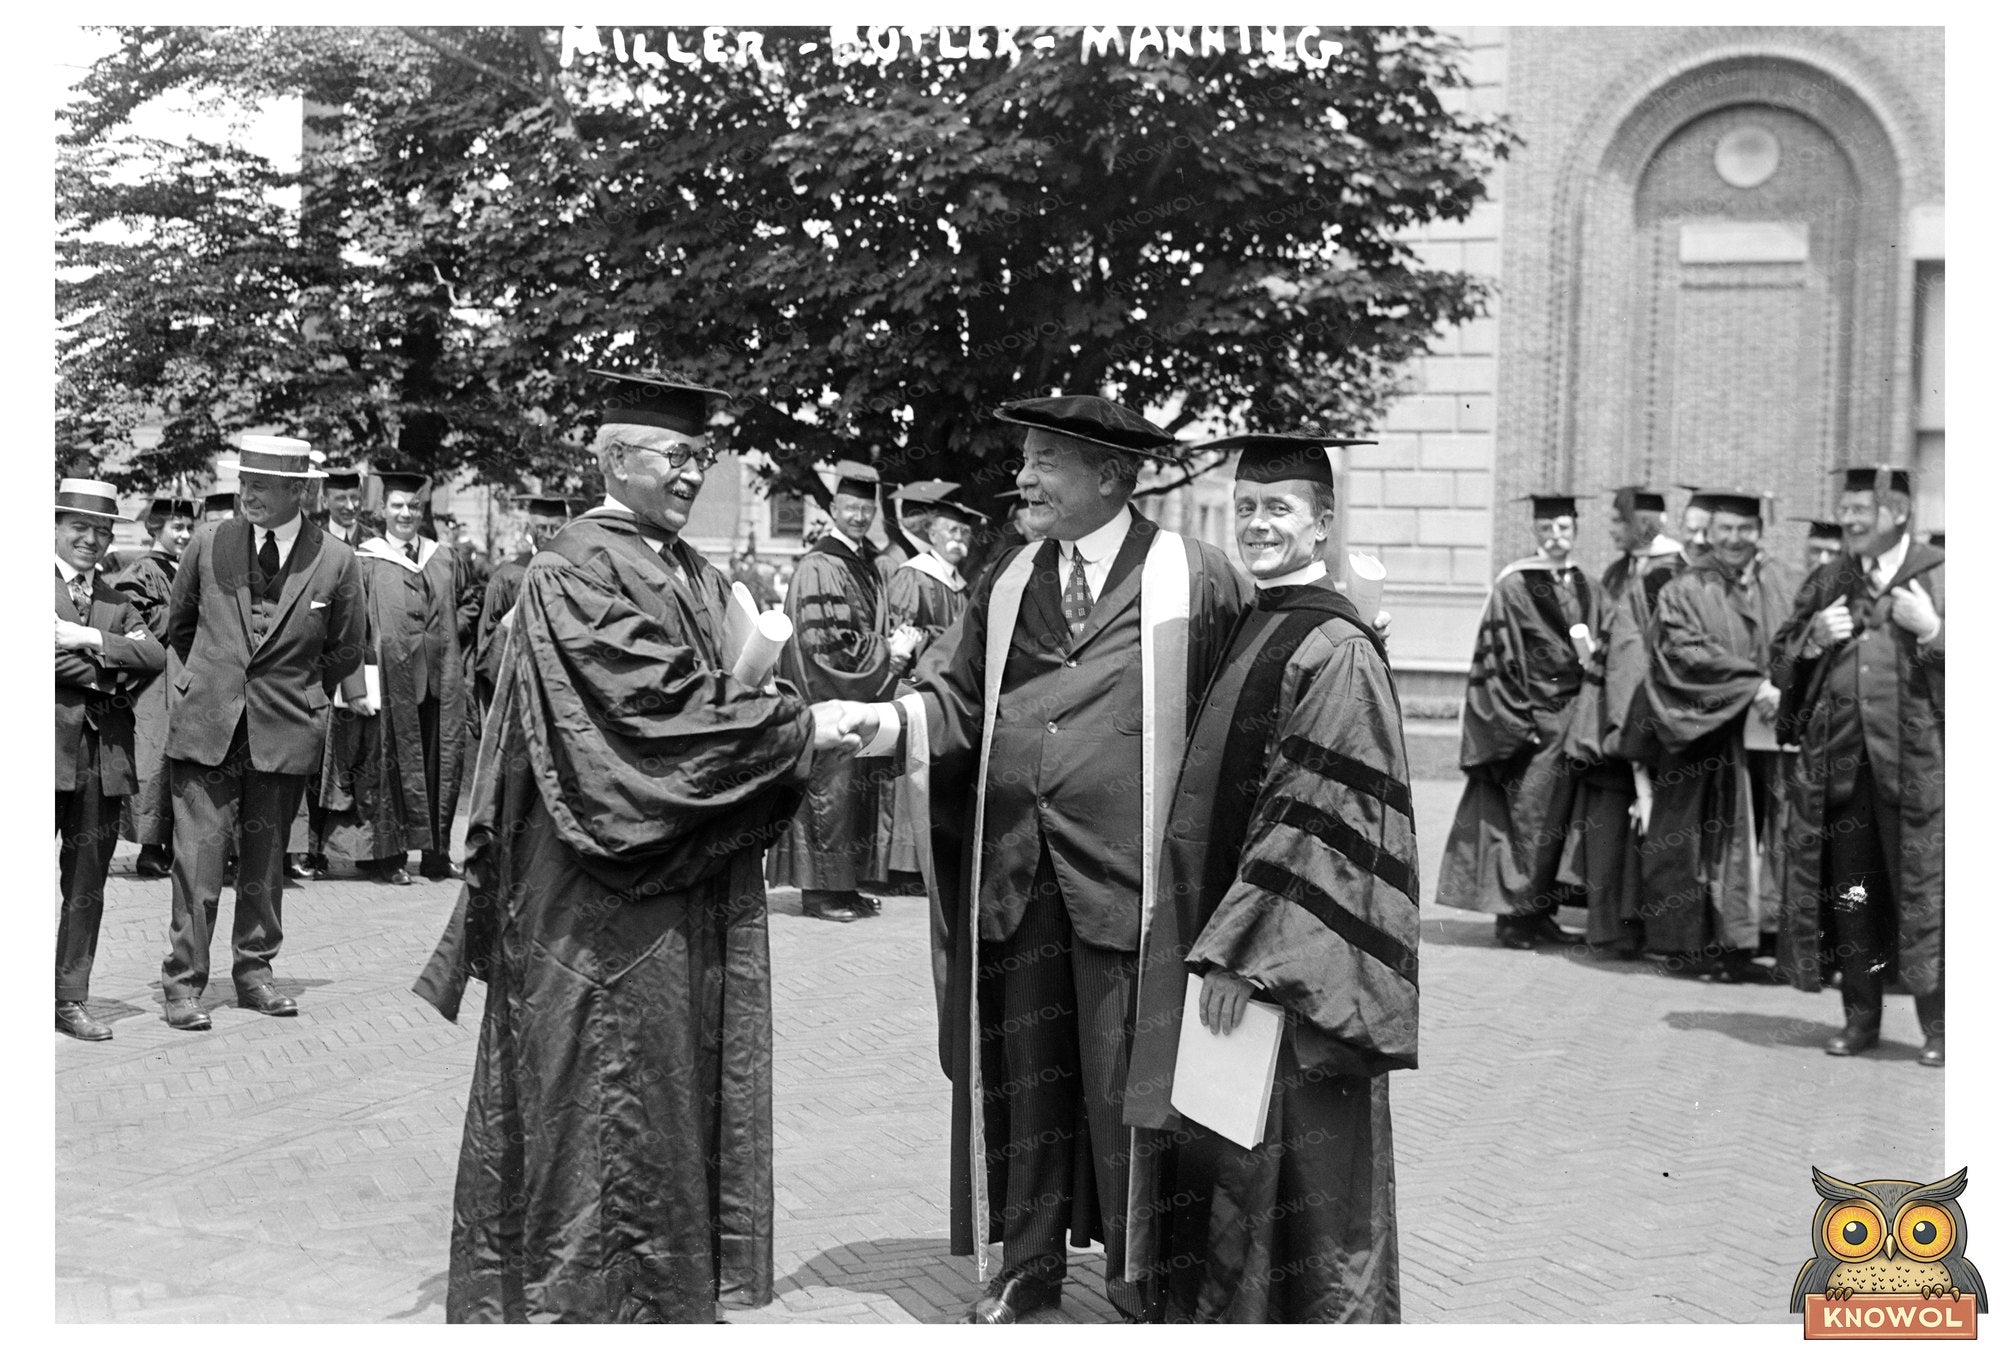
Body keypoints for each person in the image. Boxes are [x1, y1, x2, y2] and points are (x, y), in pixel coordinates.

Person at [413, 370, 854, 1322]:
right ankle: (584, 1295)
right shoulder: (577, 563)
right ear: (615, 457)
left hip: (671, 859)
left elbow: (694, 705)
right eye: (676, 455)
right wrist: (793, 730)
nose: (694, 472)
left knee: (663, 1074)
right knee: (604, 1078)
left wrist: (765, 706)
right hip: (595, 876)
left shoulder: (690, 566)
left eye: (702, 457)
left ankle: (656, 1287)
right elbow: (643, 711)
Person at [828, 395, 1250, 1323]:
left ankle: (1145, 1273)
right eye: (1024, 458)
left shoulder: (1197, 577)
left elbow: (1245, 719)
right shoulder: (1011, 577)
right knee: (1027, 1079)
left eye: (1046, 461)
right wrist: (886, 720)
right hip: (1018, 871)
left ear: (1111, 476)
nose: (1024, 477)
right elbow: (957, 696)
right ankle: (1026, 1264)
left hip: (1131, 884)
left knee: (1125, 1082)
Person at [1121, 434, 1415, 1322]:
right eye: (1246, 507)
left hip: (1282, 968)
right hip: (1227, 946)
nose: (1256, 524)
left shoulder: (1336, 649)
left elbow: (1330, 826)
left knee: (1292, 1164)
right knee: (1232, 1155)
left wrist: (1243, 957)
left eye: (1278, 508)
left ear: (1323, 522)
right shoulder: (1261, 622)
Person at [158, 437, 369, 1030]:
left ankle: (254, 974)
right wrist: (209, 681)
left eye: (263, 485)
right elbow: (180, 626)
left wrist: (299, 696)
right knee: (196, 861)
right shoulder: (208, 544)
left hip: (284, 731)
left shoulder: (335, 559)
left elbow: (346, 646)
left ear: (299, 491)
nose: (247, 493)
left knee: (266, 861)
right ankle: (183, 984)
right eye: (244, 480)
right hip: (208, 728)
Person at [1772, 466, 1944, 1065]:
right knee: (1854, 899)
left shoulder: (1940, 575)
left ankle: (1941, 1028)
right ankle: (1861, 1018)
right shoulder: (1830, 579)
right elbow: (1781, 658)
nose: (1846, 520)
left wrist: (1935, 631)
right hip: (1841, 774)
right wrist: (1813, 639)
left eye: (1859, 510)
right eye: (1843, 510)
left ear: (1896, 512)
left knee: (1927, 898)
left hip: (1919, 776)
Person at [1623, 490, 1797, 982]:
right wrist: (1752, 685)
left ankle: (1749, 942)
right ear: (1709, 532)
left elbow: (1801, 645)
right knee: (1699, 848)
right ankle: (1698, 949)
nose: (1735, 539)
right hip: (1706, 740)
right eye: (1725, 529)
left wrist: (1783, 690)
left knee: (1766, 840)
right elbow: (1681, 652)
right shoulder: (1685, 588)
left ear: (1760, 531)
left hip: (1768, 741)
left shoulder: (1783, 582)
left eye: (1745, 530)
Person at [1436, 493, 1598, 948]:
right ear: (1535, 532)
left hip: (1571, 723)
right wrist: (1515, 721)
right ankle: (1512, 920)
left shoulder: (1586, 582)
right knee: (1525, 823)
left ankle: (1540, 913)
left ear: (1577, 529)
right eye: (1547, 529)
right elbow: (1497, 657)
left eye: (1564, 528)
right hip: (1530, 725)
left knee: (1556, 824)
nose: (1555, 537)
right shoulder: (1514, 585)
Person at [766, 459, 922, 922]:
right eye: (850, 506)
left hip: (861, 697)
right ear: (834, 507)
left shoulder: (866, 563)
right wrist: (886, 652)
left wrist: (901, 641)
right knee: (829, 797)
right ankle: (820, 894)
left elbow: (869, 627)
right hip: (827, 699)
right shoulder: (820, 565)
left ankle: (846, 887)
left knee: (855, 800)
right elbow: (823, 644)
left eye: (865, 508)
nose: (858, 515)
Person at [318, 469, 476, 884]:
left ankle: (437, 856)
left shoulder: (443, 557)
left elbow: (471, 604)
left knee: (440, 764)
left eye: (414, 507)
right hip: (387, 682)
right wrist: (353, 684)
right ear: (383, 509)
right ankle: (387, 858)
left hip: (439, 680)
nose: (407, 513)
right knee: (385, 767)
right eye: (398, 506)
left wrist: (443, 635)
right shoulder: (365, 559)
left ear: (423, 511)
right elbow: (349, 625)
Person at [56, 479, 168, 1040]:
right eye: (79, 527)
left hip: (102, 758)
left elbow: (154, 655)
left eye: (101, 530)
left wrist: (85, 638)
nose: (91, 539)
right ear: (54, 528)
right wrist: (110, 674)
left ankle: (69, 995)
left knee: (87, 884)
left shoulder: (118, 599)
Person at [1556, 486, 1684, 955]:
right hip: (1608, 716)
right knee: (1608, 826)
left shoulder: (1673, 572)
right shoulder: (1617, 571)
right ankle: (1612, 928)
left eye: (1618, 521)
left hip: (1646, 718)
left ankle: (1647, 930)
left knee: (1651, 823)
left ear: (1643, 524)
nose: (1610, 528)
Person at [876, 481, 985, 885]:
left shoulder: (960, 582)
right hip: (918, 686)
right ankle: (905, 868)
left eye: (965, 534)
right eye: (952, 531)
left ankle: (927, 865)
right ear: (932, 534)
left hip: (952, 692)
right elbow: (901, 631)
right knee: (911, 779)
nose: (959, 539)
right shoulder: (914, 576)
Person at [116, 493, 200, 879]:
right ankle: (150, 848)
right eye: (176, 527)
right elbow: (137, 620)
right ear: (155, 528)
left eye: (188, 527)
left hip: (191, 674)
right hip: (158, 677)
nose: (184, 535)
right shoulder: (143, 570)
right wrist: (189, 609)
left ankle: (178, 845)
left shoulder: (191, 566)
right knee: (157, 758)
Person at [473, 495, 572, 712]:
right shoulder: (507, 577)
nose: (549, 534)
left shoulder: (580, 572)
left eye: (556, 527)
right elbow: (486, 649)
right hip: (522, 693)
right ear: (529, 528)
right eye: (541, 527)